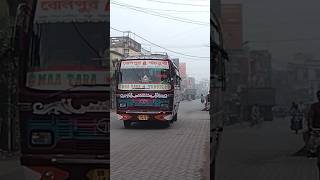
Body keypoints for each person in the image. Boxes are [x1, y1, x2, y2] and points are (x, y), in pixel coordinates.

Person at [307, 90, 320, 157]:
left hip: (315, 128)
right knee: (312, 143)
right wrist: (310, 126)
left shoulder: (314, 106)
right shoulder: (314, 106)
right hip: (316, 129)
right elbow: (311, 117)